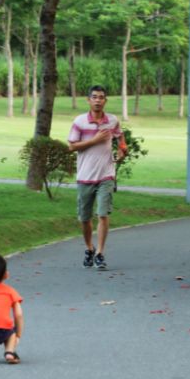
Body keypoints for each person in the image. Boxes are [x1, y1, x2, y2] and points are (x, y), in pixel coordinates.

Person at [67, 85, 127, 270]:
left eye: (101, 97)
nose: (98, 100)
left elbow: (120, 137)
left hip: (106, 176)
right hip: (85, 176)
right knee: (85, 219)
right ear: (88, 100)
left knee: (102, 214)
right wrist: (94, 140)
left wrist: (122, 149)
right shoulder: (80, 122)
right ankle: (89, 248)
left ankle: (100, 253)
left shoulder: (112, 121)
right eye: (94, 97)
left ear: (105, 100)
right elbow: (71, 146)